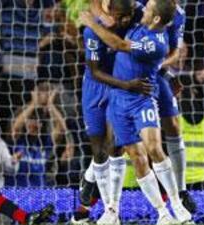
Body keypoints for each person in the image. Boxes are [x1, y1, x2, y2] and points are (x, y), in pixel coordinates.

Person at [80, 0, 193, 224]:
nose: (142, 11)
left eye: (147, 10)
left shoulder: (154, 40)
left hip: (137, 93)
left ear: (156, 18)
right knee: (111, 150)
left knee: (151, 147)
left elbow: (122, 45)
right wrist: (96, 16)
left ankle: (177, 203)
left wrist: (93, 23)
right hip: (111, 91)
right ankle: (111, 209)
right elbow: (97, 5)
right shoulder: (139, 14)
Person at [73, 0, 153, 224]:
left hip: (122, 85)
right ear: (110, 11)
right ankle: (90, 179)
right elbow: (96, 71)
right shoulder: (92, 31)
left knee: (117, 148)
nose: (126, 19)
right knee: (99, 152)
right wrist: (127, 85)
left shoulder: (136, 18)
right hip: (97, 87)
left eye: (129, 15)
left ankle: (112, 211)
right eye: (121, 15)